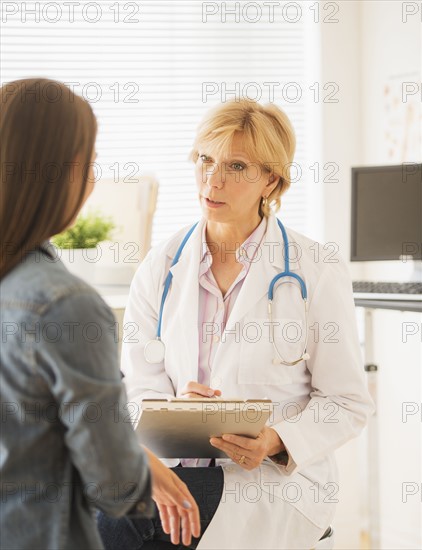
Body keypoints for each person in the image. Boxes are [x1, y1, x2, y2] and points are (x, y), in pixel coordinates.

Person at [98, 98, 375, 550]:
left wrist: (275, 440)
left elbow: (347, 402)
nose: (213, 179)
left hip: (273, 482)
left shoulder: (314, 269)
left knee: (130, 521)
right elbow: (137, 390)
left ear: (271, 179)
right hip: (177, 463)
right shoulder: (161, 266)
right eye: (205, 159)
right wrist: (173, 411)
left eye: (236, 165)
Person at [0, 78, 200, 550]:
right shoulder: (65, 304)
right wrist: (134, 455)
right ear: (61, 172)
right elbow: (114, 488)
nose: (94, 179)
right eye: (89, 162)